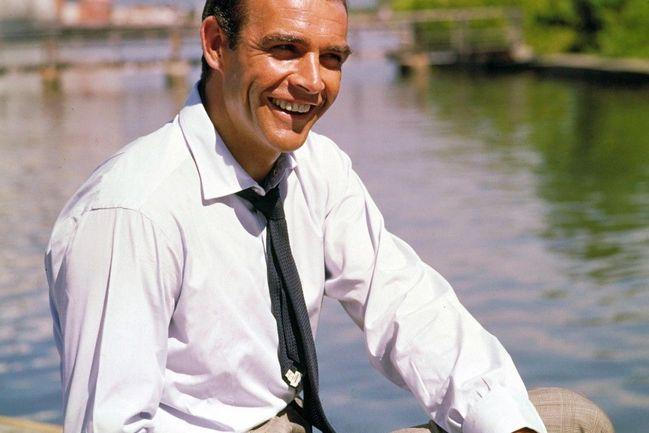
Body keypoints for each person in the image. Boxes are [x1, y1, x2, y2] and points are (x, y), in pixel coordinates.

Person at [44, 0, 614, 432]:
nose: (313, 82)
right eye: (285, 49)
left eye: (332, 57)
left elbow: (406, 306)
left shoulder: (316, 167)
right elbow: (109, 424)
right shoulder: (132, 211)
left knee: (569, 418)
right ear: (216, 45)